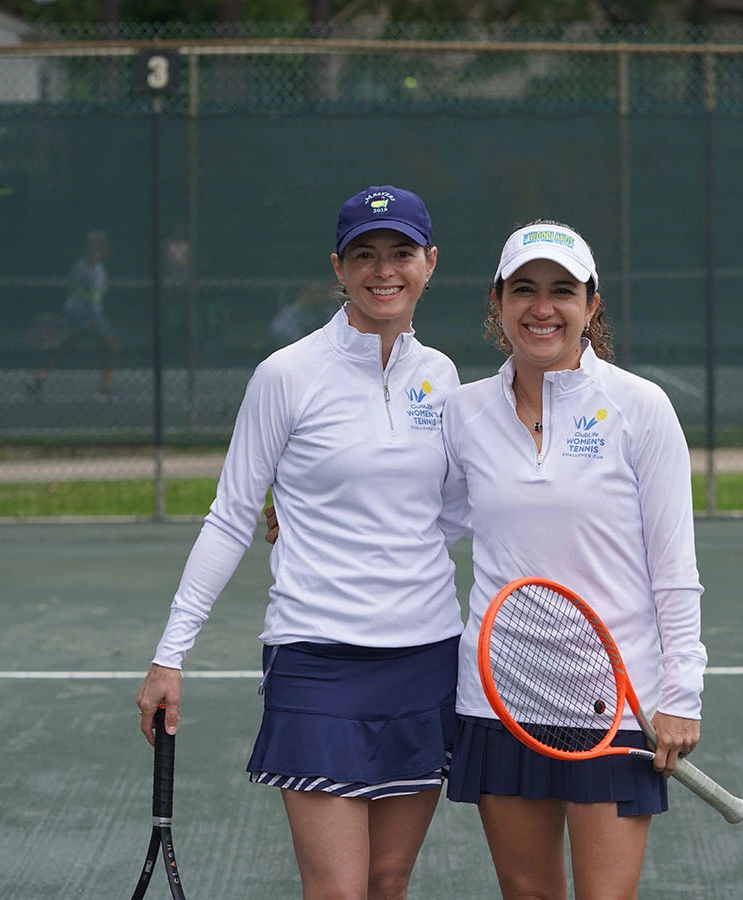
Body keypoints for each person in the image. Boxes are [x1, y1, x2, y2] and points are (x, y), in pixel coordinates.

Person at [135, 185, 468, 900]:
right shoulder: (286, 376)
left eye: (401, 253)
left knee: (388, 881)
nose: (385, 270)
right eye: (365, 255)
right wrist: (170, 653)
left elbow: (448, 514)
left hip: (427, 656)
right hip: (316, 660)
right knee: (339, 891)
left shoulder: (442, 379)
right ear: (338, 269)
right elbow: (229, 516)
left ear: (430, 263)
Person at [442, 220, 708, 900]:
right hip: (499, 699)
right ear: (497, 302)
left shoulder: (640, 409)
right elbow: (419, 525)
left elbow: (674, 570)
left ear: (592, 306)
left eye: (563, 291)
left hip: (616, 707)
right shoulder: (463, 414)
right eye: (524, 289)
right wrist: (300, 516)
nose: (542, 307)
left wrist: (680, 695)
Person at [26, 229, 119, 402]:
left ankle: (38, 378)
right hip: (87, 317)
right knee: (112, 349)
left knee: (65, 350)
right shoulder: (86, 270)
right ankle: (104, 388)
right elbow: (88, 299)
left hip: (83, 316)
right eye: (102, 245)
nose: (108, 249)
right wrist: (93, 320)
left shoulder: (95, 267)